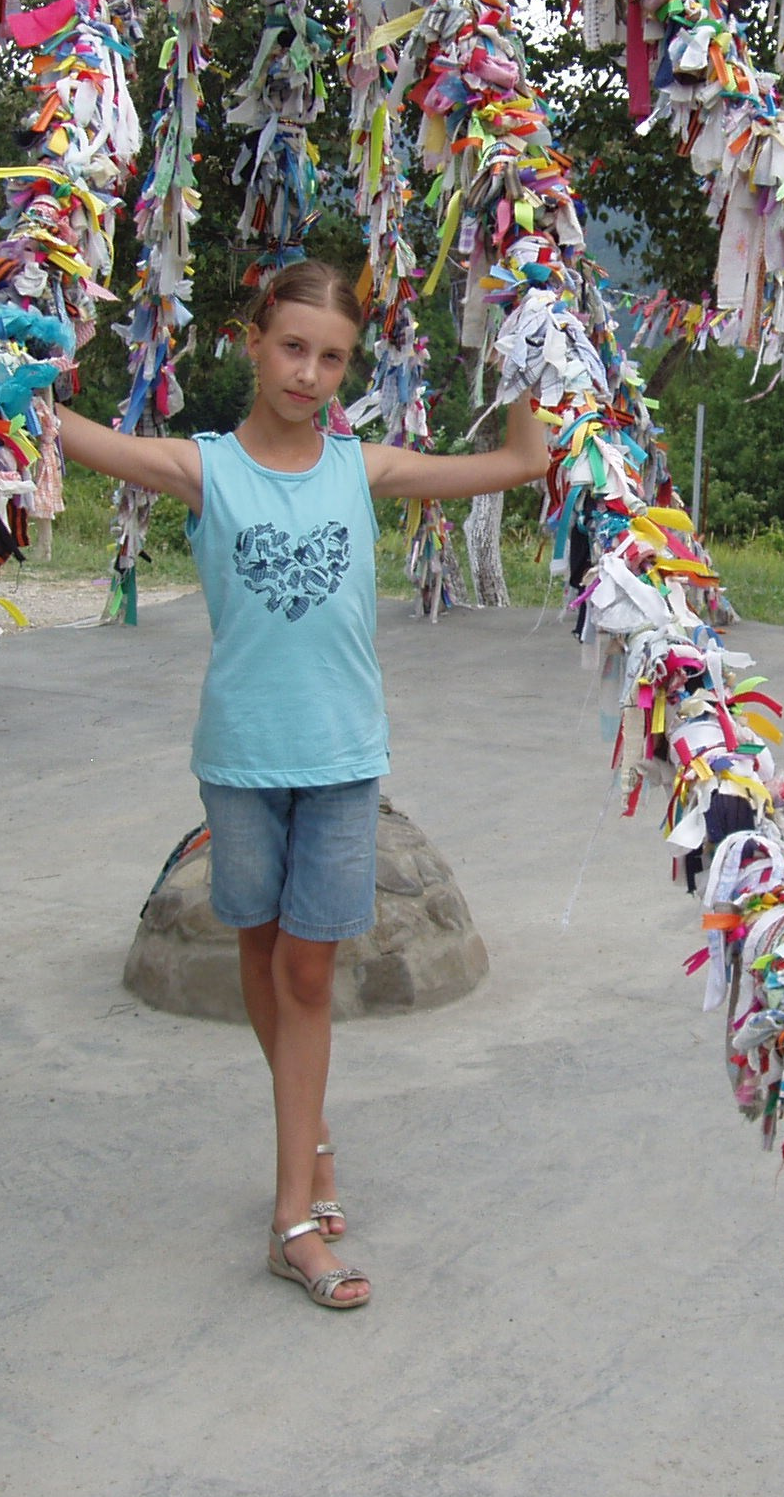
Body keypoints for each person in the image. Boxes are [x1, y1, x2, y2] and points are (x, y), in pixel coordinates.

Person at [56, 259, 552, 1309]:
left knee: (312, 976)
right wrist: (14, 372)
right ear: (251, 341)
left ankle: (292, 1222)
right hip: (238, 761)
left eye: (331, 357)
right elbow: (64, 433)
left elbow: (521, 461)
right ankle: (312, 1147)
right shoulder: (204, 469)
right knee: (261, 948)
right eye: (292, 347)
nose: (310, 373)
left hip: (338, 762)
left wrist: (534, 349)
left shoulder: (364, 469)